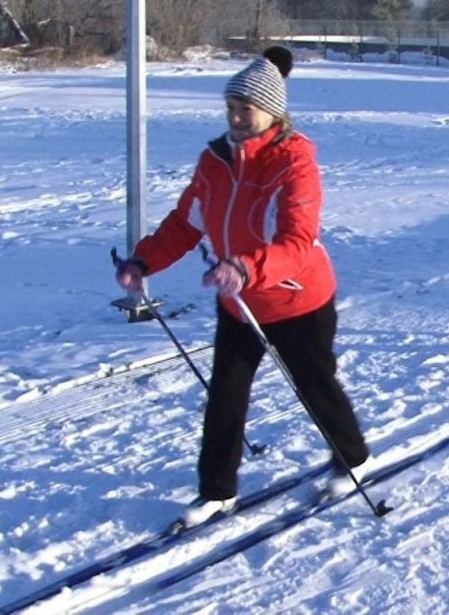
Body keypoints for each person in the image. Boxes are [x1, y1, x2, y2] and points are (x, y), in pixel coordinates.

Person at [115, 46, 370, 527]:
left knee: (315, 385)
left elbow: (297, 241)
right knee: (226, 394)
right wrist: (144, 261)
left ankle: (353, 458)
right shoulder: (214, 161)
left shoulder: (293, 164)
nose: (234, 117)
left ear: (271, 112)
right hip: (238, 303)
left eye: (244, 109)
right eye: (230, 108)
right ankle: (217, 490)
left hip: (297, 299)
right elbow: (185, 224)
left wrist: (247, 268)